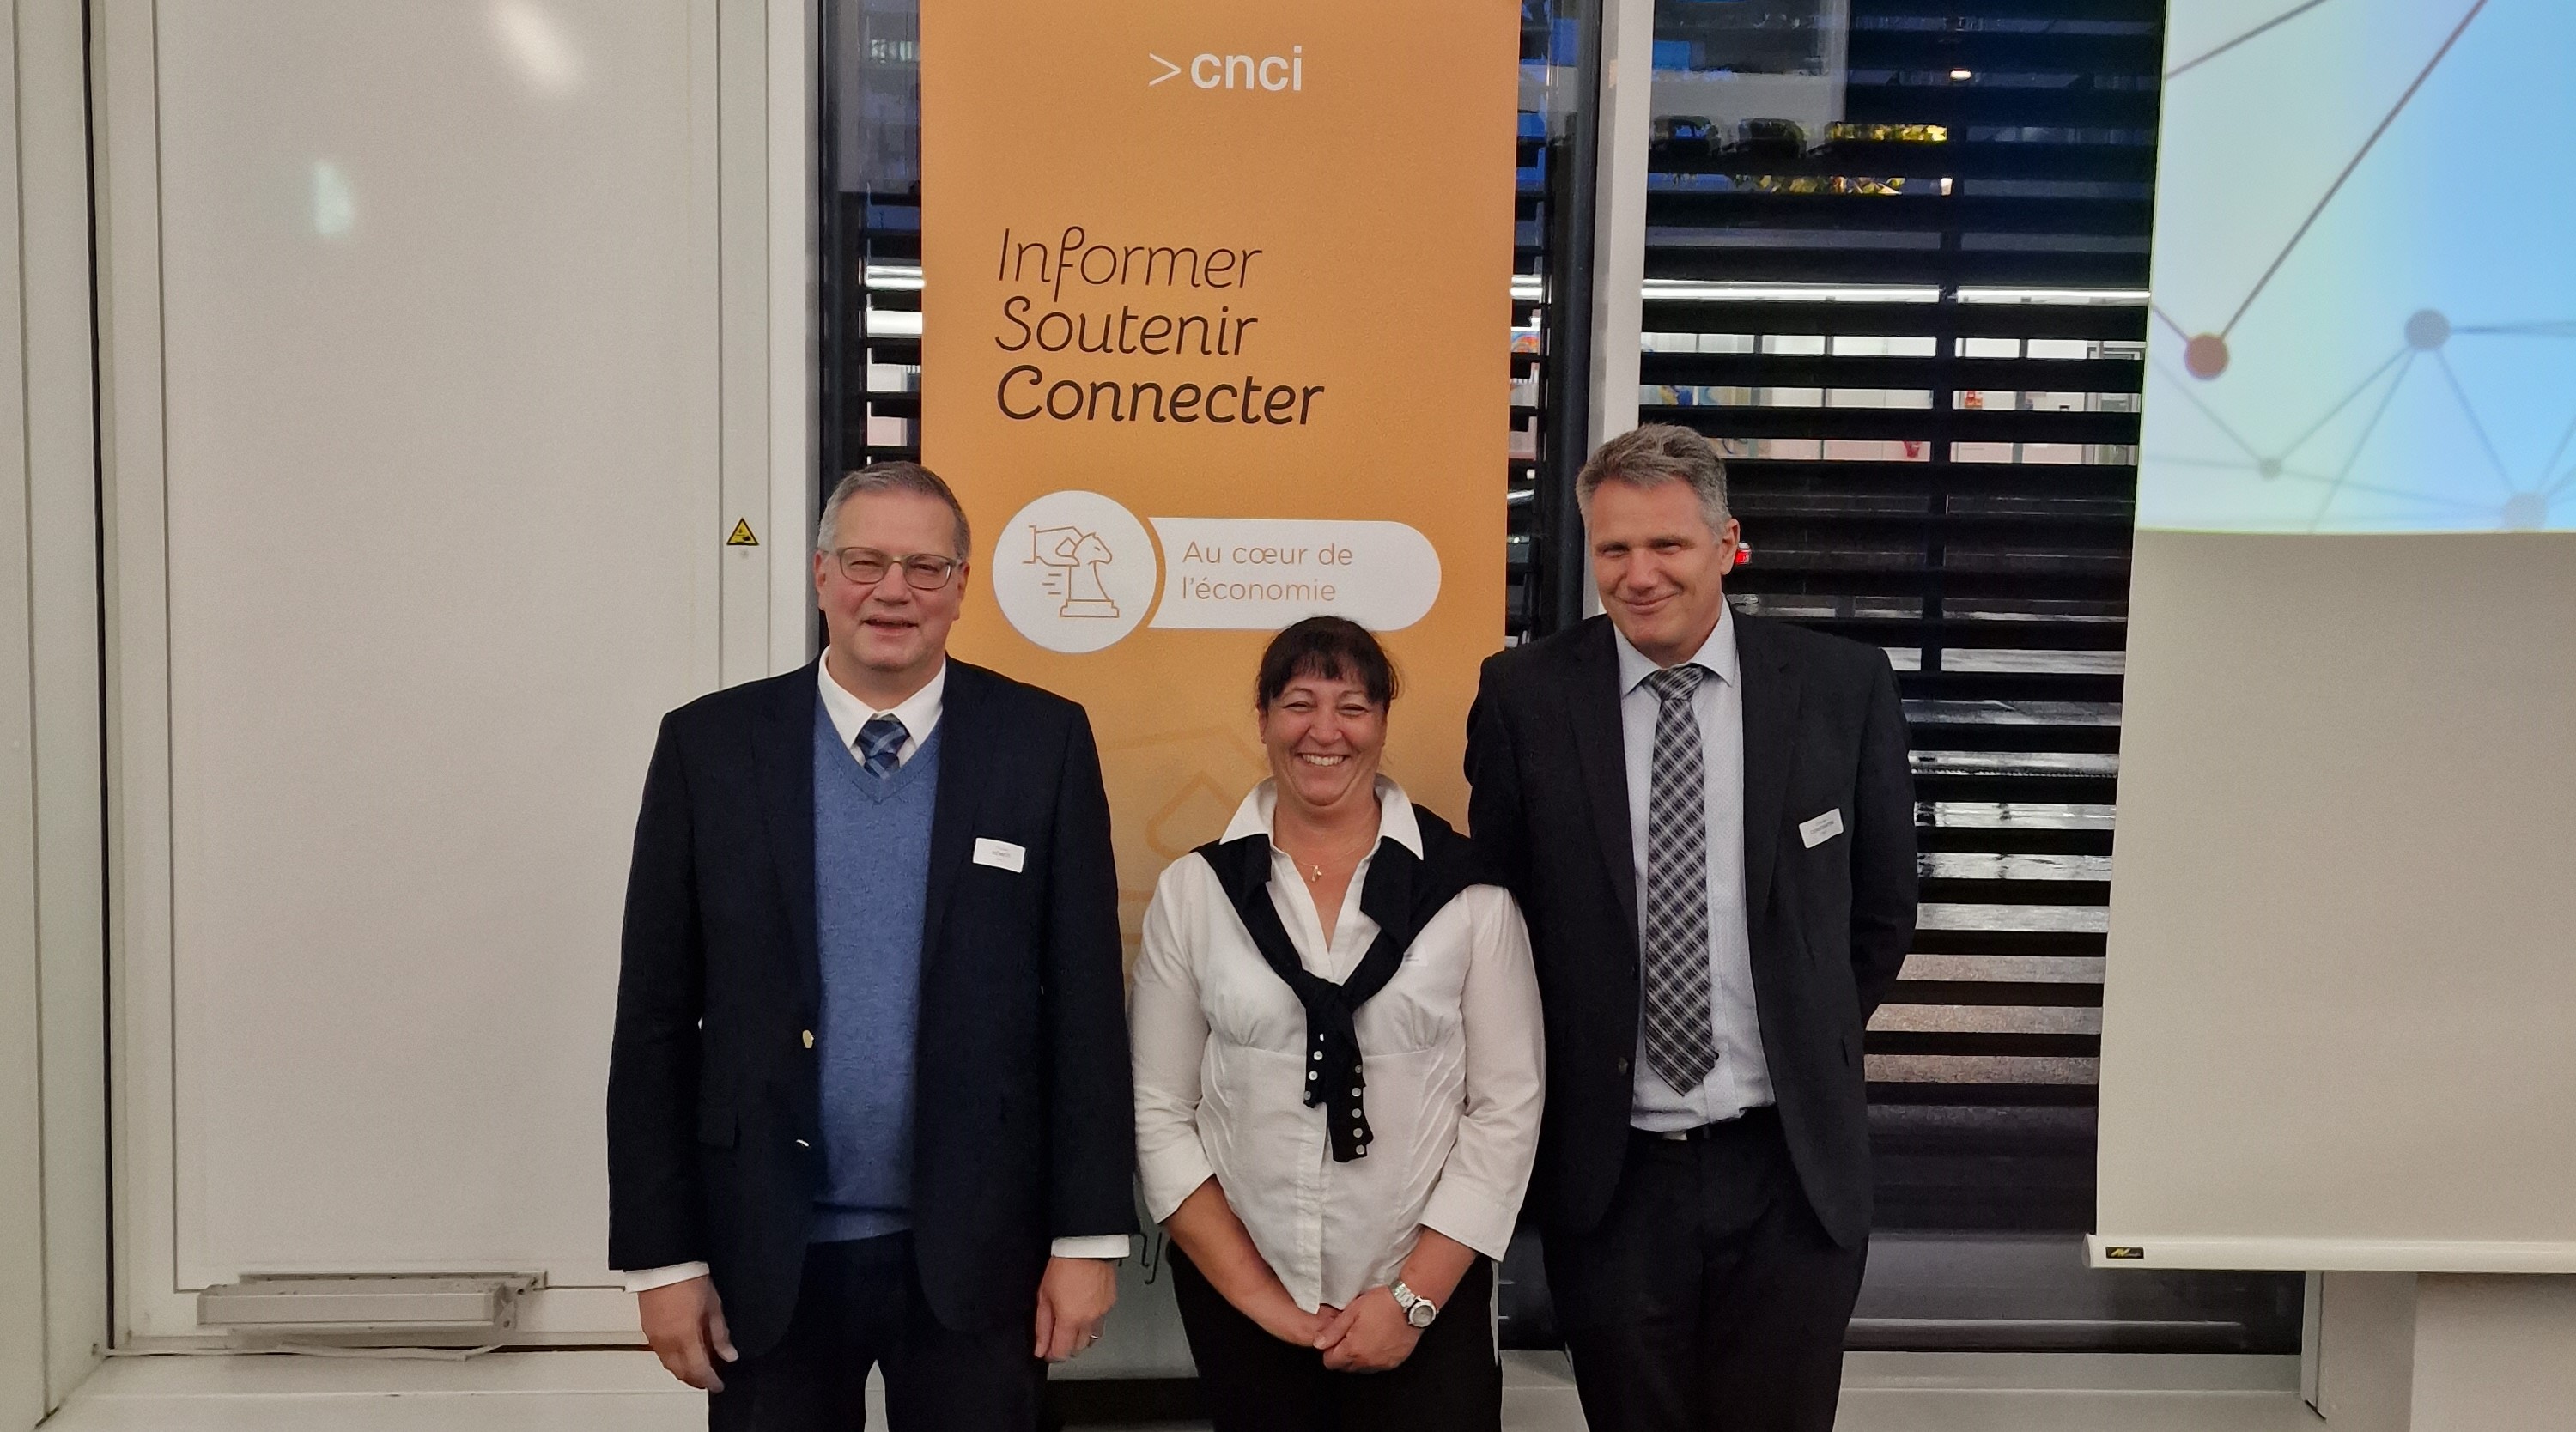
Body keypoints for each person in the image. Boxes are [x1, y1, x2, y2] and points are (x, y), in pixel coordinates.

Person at [607, 462, 1137, 1431]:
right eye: (865, 562)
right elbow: (653, 1020)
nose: (894, 591)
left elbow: (1088, 1009)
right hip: (765, 1252)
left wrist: (1089, 1237)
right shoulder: (708, 747)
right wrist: (661, 1258)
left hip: (982, 1251)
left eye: (925, 568)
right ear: (820, 575)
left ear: (961, 587)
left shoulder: (1043, 743)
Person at [1465, 425, 1917, 1432]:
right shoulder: (1524, 697)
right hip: (1614, 1176)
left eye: (1666, 544)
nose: (1639, 575)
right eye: (1614, 548)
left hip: (1790, 1171)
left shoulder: (1839, 686)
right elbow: (1499, 916)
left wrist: (1807, 1033)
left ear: (1727, 544)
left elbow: (1884, 905)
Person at [1130, 617, 1545, 1432]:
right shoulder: (1197, 893)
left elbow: (1507, 1107)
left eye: (1352, 707)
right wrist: (1266, 1304)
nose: (1325, 731)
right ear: (1262, 720)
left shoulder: (1467, 894)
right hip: (1243, 1308)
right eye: (1299, 704)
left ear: (1383, 723)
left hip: (1426, 1305)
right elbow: (1158, 1110)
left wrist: (1412, 1298)